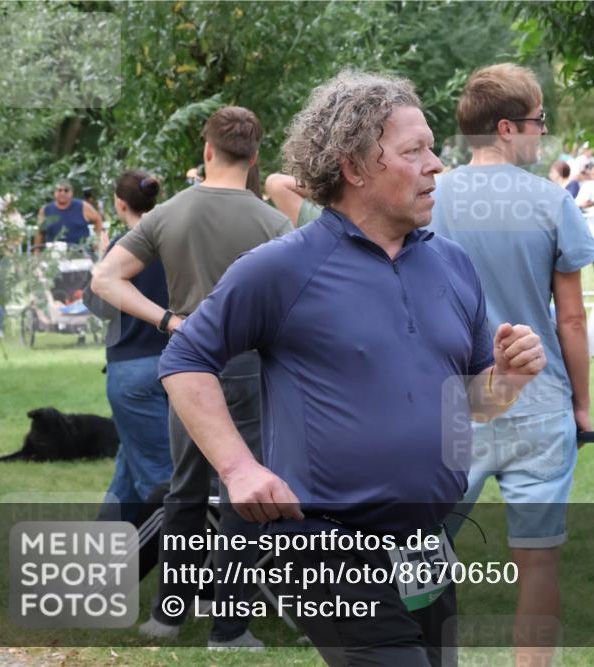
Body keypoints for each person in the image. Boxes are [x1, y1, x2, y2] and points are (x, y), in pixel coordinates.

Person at [157, 70, 547, 666]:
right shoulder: (282, 267)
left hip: (426, 544)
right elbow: (185, 358)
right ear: (355, 166)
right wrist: (237, 469)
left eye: (432, 147)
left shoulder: (453, 265)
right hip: (328, 547)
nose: (436, 164)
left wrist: (506, 382)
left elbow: (468, 405)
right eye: (413, 150)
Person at [91, 106, 294, 650]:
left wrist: (168, 320)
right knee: (241, 491)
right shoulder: (274, 223)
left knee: (184, 490)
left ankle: (167, 616)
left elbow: (105, 280)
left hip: (185, 366)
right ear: (254, 158)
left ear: (207, 151)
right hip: (247, 369)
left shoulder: (168, 215)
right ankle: (229, 629)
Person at [429, 62, 594, 665]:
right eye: (538, 122)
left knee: (421, 554)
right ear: (506, 127)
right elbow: (572, 321)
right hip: (539, 400)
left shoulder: (428, 197)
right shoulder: (553, 202)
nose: (542, 134)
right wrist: (581, 407)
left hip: (454, 404)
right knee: (537, 561)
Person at [87, 171, 173, 522]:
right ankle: (98, 560)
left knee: (159, 478)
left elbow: (101, 307)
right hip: (174, 364)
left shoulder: (123, 246)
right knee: (130, 469)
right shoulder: (173, 242)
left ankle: (190, 566)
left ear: (120, 203)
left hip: (131, 372)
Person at [33, 180, 104, 251]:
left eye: (66, 191)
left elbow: (98, 220)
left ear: (72, 192)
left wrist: (96, 240)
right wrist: (36, 252)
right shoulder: (45, 210)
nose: (62, 193)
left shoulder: (83, 207)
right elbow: (40, 233)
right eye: (59, 190)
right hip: (54, 255)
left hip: (80, 254)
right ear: (54, 192)